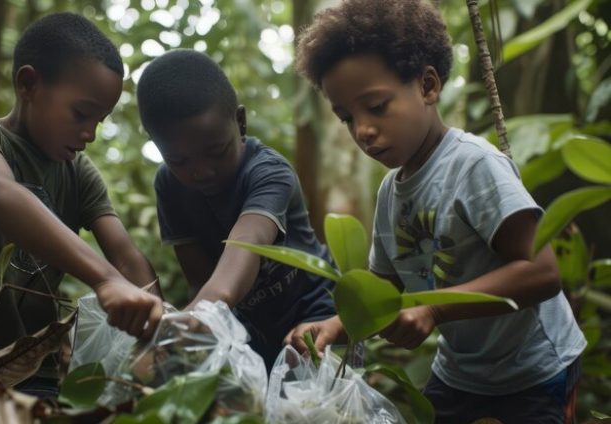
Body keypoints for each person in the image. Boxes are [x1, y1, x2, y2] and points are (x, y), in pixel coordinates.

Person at [286, 1, 586, 422]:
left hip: (532, 371)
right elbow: (383, 284)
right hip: (462, 373)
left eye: (375, 107)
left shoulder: (473, 165)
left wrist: (434, 310)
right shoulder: (392, 190)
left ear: (428, 86)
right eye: (346, 118)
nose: (363, 131)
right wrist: (338, 325)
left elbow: (542, 272)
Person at [0, 12, 163, 397]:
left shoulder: (79, 172)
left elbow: (125, 256)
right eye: (81, 114)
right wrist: (104, 279)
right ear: (28, 84)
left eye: (100, 121)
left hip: (32, 374)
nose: (89, 133)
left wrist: (157, 318)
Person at [136, 49, 338, 369]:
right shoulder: (169, 186)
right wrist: (198, 331)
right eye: (179, 161)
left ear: (240, 122)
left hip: (316, 315)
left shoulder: (270, 173)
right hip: (248, 331)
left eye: (216, 151)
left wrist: (197, 313)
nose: (201, 171)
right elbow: (199, 280)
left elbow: (249, 240)